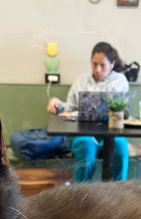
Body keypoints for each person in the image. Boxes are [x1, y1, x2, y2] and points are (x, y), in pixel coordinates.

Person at [47, 42, 130, 182]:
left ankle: (119, 197)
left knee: (121, 150)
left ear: (112, 63)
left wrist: (74, 114)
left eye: (102, 65)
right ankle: (82, 200)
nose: (97, 69)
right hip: (83, 133)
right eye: (94, 64)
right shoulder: (81, 81)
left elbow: (112, 112)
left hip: (112, 134)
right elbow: (70, 107)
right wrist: (56, 103)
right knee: (86, 154)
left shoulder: (120, 81)